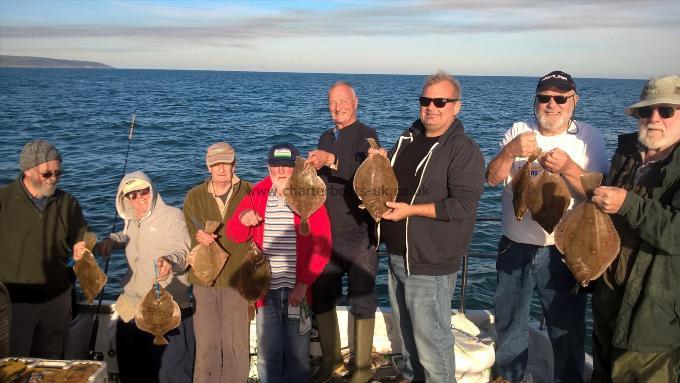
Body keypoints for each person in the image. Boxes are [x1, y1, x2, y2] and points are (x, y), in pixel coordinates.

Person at [486, 70, 609, 383]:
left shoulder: (588, 137)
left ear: (574, 101)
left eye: (560, 98)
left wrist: (568, 168)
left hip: (564, 251)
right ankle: (511, 377)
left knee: (566, 327)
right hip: (515, 245)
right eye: (544, 98)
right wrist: (510, 151)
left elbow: (596, 196)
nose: (551, 104)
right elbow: (491, 178)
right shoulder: (518, 130)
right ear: (535, 101)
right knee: (510, 322)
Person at [375, 70, 485, 382]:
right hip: (397, 255)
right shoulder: (408, 139)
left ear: (456, 106)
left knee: (432, 347)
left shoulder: (464, 150)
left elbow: (462, 205)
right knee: (409, 344)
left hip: (430, 262)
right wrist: (380, 159)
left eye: (440, 101)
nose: (431, 107)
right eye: (426, 100)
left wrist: (411, 210)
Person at [590, 75, 680, 382]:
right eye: (647, 111)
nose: (655, 118)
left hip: (652, 314)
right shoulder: (628, 153)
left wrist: (628, 204)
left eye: (666, 111)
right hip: (607, 299)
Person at [227, 143, 332, 383]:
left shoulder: (309, 194)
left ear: (296, 169)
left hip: (299, 291)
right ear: (268, 167)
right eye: (276, 167)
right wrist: (243, 217)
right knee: (267, 355)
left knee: (297, 356)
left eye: (287, 166)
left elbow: (323, 247)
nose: (282, 172)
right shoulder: (258, 193)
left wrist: (304, 285)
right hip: (265, 292)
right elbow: (235, 235)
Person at [306, 81, 380, 383]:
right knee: (323, 297)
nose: (337, 107)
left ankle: (361, 369)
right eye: (332, 102)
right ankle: (332, 360)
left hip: (360, 233)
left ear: (355, 101)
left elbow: (370, 176)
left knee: (362, 298)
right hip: (327, 233)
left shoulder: (367, 135)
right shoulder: (326, 135)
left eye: (343, 101)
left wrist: (333, 160)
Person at [96, 171, 195, 383]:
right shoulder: (133, 221)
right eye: (132, 195)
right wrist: (113, 239)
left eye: (143, 192)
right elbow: (130, 236)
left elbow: (183, 252)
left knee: (170, 375)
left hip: (169, 311)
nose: (139, 198)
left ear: (152, 191)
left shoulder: (172, 217)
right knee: (133, 373)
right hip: (132, 309)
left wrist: (170, 260)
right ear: (125, 199)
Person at [0, 140, 88, 358]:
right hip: (15, 303)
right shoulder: (4, 200)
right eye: (47, 174)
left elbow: (81, 233)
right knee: (15, 363)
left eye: (58, 172)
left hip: (57, 300)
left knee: (51, 361)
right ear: (28, 170)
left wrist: (82, 244)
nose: (54, 178)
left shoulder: (67, 202)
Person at [183, 142, 253, 383]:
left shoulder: (250, 192)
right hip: (204, 282)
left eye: (225, 162)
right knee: (206, 346)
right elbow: (188, 233)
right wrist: (197, 236)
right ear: (208, 166)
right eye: (215, 164)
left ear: (235, 163)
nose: (221, 168)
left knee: (236, 346)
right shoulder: (194, 196)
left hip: (238, 281)